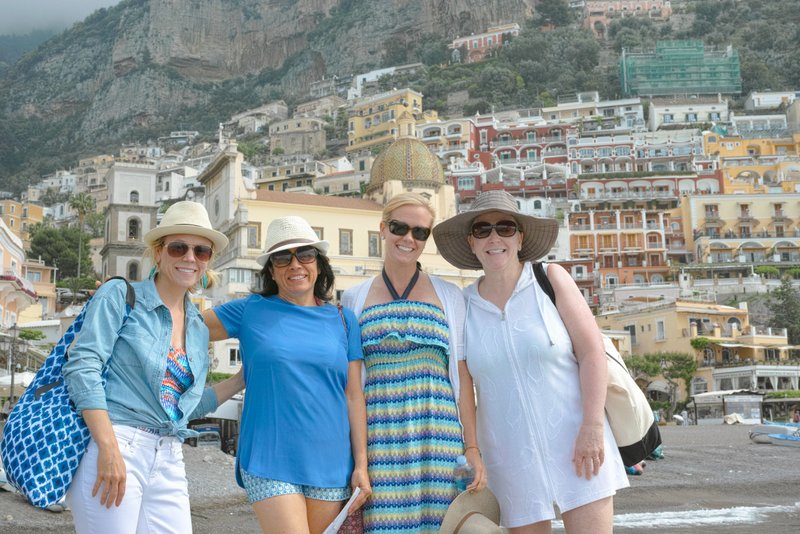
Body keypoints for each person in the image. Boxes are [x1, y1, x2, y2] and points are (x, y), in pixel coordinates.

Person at [433, 190, 629, 533]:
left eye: (505, 228)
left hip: (579, 445)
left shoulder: (550, 279)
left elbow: (591, 352)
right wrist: (472, 448)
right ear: (472, 243)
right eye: (482, 230)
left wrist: (593, 427)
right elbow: (463, 383)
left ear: (520, 238)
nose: (494, 237)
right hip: (508, 462)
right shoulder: (462, 306)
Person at [63, 201, 245, 533]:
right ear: (158, 253)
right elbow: (82, 367)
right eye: (179, 247)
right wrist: (108, 447)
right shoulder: (120, 295)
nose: (190, 257)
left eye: (201, 251)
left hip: (169, 453)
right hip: (117, 440)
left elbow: (186, 406)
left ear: (207, 262)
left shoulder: (198, 328)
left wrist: (242, 379)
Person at [202, 216, 370, 534]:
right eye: (283, 257)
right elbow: (182, 327)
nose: (295, 264)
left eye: (305, 254)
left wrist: (361, 465)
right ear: (272, 269)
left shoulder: (344, 319)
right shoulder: (250, 310)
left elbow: (353, 395)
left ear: (319, 264)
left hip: (331, 462)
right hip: (269, 457)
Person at [342, 192, 486, 533]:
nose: (408, 238)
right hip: (380, 443)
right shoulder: (354, 298)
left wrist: (473, 447)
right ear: (383, 229)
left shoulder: (450, 295)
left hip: (439, 440)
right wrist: (359, 462)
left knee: (445, 526)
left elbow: (463, 377)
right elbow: (353, 390)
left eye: (419, 232)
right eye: (399, 228)